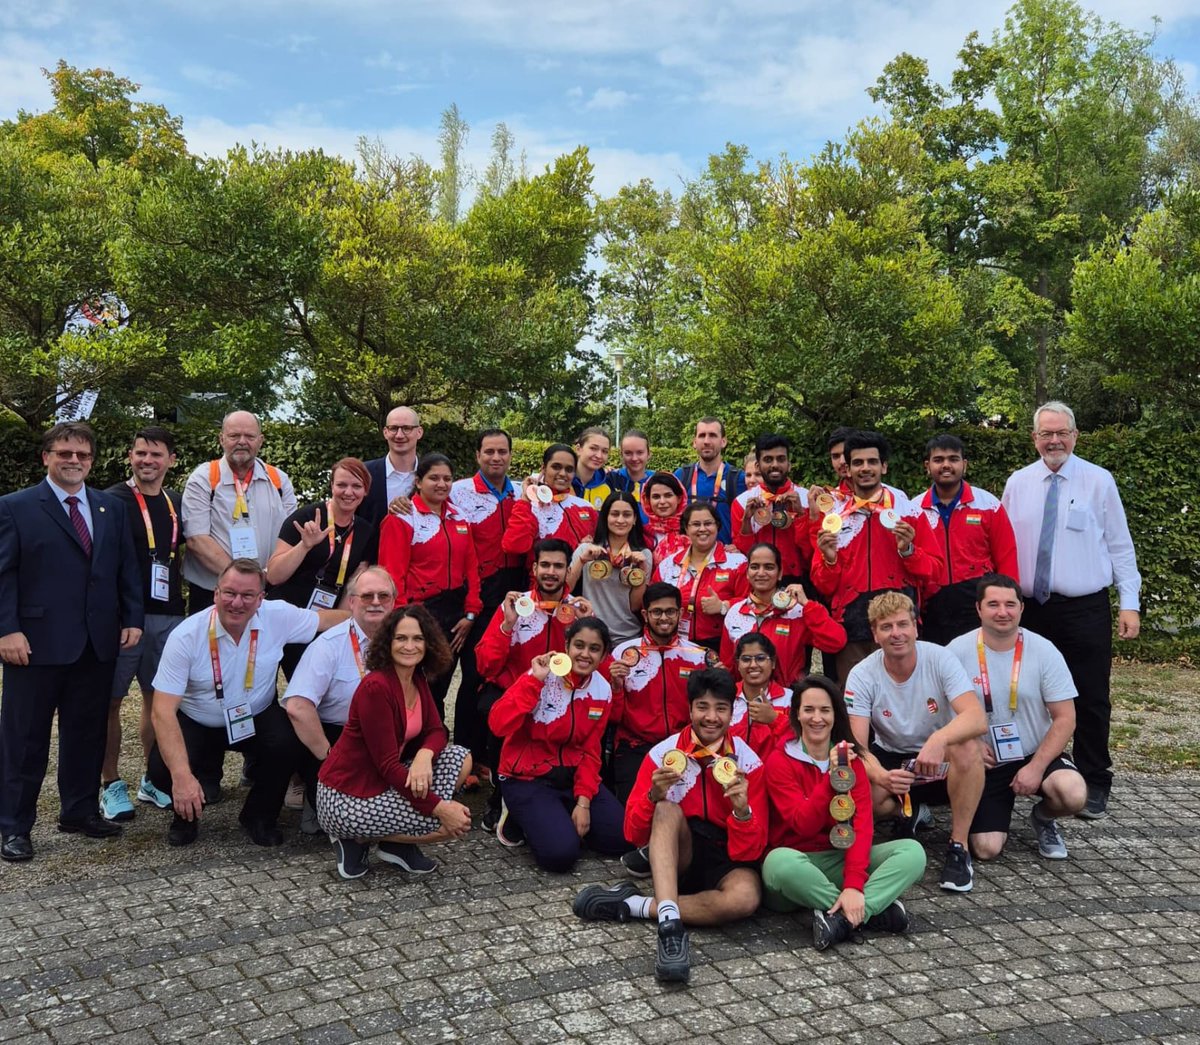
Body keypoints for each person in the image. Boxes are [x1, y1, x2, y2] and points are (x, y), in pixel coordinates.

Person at [0, 422, 143, 862]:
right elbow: (3, 574)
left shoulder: (110, 508)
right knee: (25, 741)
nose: (74, 460)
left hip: (96, 644)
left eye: (82, 454)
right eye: (64, 453)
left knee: (86, 733)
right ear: (46, 456)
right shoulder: (15, 507)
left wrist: (132, 617)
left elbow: (125, 566)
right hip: (34, 645)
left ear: (92, 460)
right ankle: (14, 827)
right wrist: (6, 629)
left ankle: (79, 812)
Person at [572, 668, 766, 985]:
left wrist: (742, 811)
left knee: (745, 899)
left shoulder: (748, 762)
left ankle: (637, 905)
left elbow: (751, 852)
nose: (711, 717)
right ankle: (670, 932)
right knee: (664, 809)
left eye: (721, 708)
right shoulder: (663, 754)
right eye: (702, 707)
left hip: (726, 856)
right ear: (689, 709)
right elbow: (632, 834)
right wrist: (653, 796)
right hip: (680, 852)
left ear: (732, 712)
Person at [1001, 400, 1141, 821]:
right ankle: (1027, 771)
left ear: (1075, 435)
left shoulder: (1099, 481)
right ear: (1034, 438)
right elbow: (1004, 545)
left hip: (1084, 608)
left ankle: (1095, 780)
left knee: (1091, 696)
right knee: (1023, 694)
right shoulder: (1018, 483)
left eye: (1062, 432)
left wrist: (1129, 603)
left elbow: (1120, 545)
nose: (1055, 440)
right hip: (1031, 610)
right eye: (1047, 433)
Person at [146, 559, 347, 848]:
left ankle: (258, 816)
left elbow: (326, 620)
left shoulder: (277, 615)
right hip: (198, 720)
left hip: (255, 715)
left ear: (261, 599)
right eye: (229, 593)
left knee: (290, 744)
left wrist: (374, 618)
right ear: (216, 593)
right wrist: (181, 777)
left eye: (247, 595)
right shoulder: (185, 636)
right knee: (162, 769)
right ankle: (186, 814)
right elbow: (162, 711)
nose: (237, 603)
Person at [762, 675, 926, 950]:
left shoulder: (852, 760)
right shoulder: (779, 761)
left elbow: (861, 827)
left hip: (838, 857)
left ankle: (844, 918)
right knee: (778, 863)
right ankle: (871, 910)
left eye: (825, 710)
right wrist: (832, 778)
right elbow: (803, 825)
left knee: (913, 852)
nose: (817, 718)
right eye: (809, 710)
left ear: (836, 715)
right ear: (797, 714)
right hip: (798, 868)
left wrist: (853, 884)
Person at [316, 604, 472, 879]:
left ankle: (394, 845)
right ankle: (355, 838)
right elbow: (388, 765)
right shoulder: (376, 687)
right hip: (346, 795)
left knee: (460, 757)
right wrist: (441, 808)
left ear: (428, 643)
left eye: (417, 638)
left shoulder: (416, 676)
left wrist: (424, 755)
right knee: (444, 823)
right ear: (387, 643)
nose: (409, 646)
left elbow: (437, 730)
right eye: (401, 638)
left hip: (382, 782)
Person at [846, 592, 986, 893]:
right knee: (858, 786)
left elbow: (977, 718)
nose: (896, 633)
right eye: (886, 627)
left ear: (916, 627)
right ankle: (909, 812)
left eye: (902, 624)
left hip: (939, 755)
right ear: (875, 634)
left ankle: (958, 846)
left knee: (969, 747)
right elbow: (857, 745)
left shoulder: (940, 658)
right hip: (893, 757)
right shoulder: (861, 674)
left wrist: (939, 738)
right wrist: (880, 775)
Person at [948, 574, 1087, 862]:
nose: (1003, 612)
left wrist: (1036, 767)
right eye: (993, 604)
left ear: (1022, 608)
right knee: (986, 849)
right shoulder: (956, 651)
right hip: (986, 760)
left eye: (1010, 605)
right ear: (979, 609)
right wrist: (969, 744)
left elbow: (1065, 718)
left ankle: (1044, 818)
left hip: (1033, 752)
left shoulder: (1044, 650)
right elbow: (937, 710)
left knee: (1072, 793)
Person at [474, 538, 593, 838]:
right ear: (535, 568)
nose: (551, 572)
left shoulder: (577, 610)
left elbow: (595, 670)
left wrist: (587, 625)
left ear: (568, 571)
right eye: (545, 565)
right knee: (493, 708)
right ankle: (500, 794)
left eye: (558, 566)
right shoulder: (515, 606)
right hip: (518, 692)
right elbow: (485, 666)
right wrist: (507, 625)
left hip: (563, 695)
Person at [487, 617, 626, 872]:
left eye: (594, 649)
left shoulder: (602, 689)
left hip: (571, 777)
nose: (585, 654)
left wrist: (583, 803)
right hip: (527, 777)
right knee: (560, 856)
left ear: (604, 654)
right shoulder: (541, 675)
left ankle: (557, 817)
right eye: (579, 645)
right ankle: (517, 817)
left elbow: (591, 751)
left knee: (622, 838)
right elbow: (497, 724)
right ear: (566, 646)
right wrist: (533, 682)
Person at [101, 426, 186, 823]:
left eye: (156, 454)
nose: (147, 461)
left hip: (168, 615)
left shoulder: (176, 502)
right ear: (130, 456)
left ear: (171, 460)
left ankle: (153, 779)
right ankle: (110, 783)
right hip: (122, 620)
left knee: (159, 700)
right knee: (111, 701)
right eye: (140, 453)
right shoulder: (111, 501)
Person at [810, 430, 942, 681]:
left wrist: (909, 551)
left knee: (904, 695)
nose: (865, 468)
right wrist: (830, 560)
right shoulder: (834, 517)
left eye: (872, 461)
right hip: (852, 628)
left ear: (884, 466)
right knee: (854, 698)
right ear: (848, 469)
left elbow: (935, 571)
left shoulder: (908, 511)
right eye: (858, 462)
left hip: (898, 625)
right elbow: (822, 585)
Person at [282, 567, 397, 831]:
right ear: (352, 602)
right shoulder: (328, 645)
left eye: (383, 596)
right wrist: (330, 757)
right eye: (367, 596)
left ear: (393, 601)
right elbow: (298, 707)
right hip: (338, 737)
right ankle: (320, 797)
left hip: (387, 736)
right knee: (343, 820)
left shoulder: (405, 641)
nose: (376, 602)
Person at [377, 453, 482, 718]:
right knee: (417, 683)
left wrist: (471, 612)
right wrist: (405, 621)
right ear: (418, 481)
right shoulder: (402, 518)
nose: (442, 484)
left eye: (447, 478)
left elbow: (472, 568)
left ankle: (434, 734)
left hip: (455, 613)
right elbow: (392, 576)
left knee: (441, 683)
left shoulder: (460, 516)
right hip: (420, 612)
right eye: (434, 478)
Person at [448, 429, 524, 780]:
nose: (496, 457)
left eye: (502, 451)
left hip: (517, 591)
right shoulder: (458, 491)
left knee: (511, 672)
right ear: (477, 455)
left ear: (510, 455)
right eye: (489, 451)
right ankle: (467, 754)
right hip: (478, 593)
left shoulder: (524, 491)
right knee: (474, 674)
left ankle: (500, 750)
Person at [265, 457, 376, 679]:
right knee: (265, 685)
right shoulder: (306, 517)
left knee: (309, 684)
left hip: (322, 621)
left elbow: (354, 583)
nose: (348, 492)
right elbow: (274, 576)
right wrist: (304, 546)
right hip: (284, 614)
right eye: (341, 484)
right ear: (331, 486)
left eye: (356, 486)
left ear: (365, 491)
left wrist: (339, 622)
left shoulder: (365, 531)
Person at [181, 410, 298, 612]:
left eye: (250, 436)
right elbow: (196, 539)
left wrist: (264, 578)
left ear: (260, 441)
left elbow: (290, 538)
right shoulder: (204, 478)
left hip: (267, 592)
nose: (242, 442)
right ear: (222, 439)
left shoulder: (279, 480)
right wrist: (242, 581)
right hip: (213, 593)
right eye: (234, 435)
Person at [607, 584, 709, 806]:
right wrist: (616, 686)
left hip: (683, 746)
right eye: (657, 612)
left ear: (680, 613)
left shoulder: (697, 656)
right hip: (635, 747)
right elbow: (613, 717)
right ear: (645, 615)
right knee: (635, 812)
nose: (664, 618)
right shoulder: (624, 654)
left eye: (670, 611)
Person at [918, 435, 1019, 645]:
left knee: (979, 661)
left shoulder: (988, 504)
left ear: (964, 464)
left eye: (953, 459)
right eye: (938, 460)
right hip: (931, 605)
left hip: (977, 602)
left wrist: (1009, 602)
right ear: (927, 466)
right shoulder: (914, 509)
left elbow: (1007, 556)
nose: (946, 465)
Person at [720, 544, 846, 686]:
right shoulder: (735, 613)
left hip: (787, 695)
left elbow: (836, 642)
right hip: (746, 695)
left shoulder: (796, 612)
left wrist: (807, 604)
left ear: (780, 573)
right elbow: (729, 668)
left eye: (769, 567)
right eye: (755, 567)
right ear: (747, 573)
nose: (761, 573)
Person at [652, 501, 746, 651]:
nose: (702, 529)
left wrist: (724, 606)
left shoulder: (737, 562)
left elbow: (751, 601)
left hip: (721, 643)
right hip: (675, 643)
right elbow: (652, 602)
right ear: (686, 528)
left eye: (708, 523)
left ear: (717, 526)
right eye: (696, 524)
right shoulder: (669, 564)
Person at [567, 492, 653, 645]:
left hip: (627, 636)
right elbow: (566, 589)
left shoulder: (643, 555)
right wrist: (581, 561)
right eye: (614, 514)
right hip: (591, 633)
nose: (620, 520)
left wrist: (641, 570)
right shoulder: (586, 550)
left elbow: (635, 606)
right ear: (605, 517)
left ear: (634, 519)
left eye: (627, 515)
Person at [732, 434, 810, 584]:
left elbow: (811, 552)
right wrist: (747, 520)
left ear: (789, 464)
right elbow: (743, 554)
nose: (775, 465)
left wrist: (800, 515)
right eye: (768, 460)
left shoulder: (806, 499)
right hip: (758, 581)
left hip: (799, 581)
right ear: (758, 465)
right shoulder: (741, 502)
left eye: (780, 459)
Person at [501, 444, 597, 562]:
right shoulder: (530, 507)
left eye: (569, 469)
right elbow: (514, 546)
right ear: (543, 469)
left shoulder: (586, 506)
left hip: (581, 574)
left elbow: (602, 546)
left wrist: (589, 546)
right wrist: (526, 499)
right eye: (556, 467)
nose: (563, 473)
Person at [674, 417, 746, 545]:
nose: (706, 441)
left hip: (725, 555)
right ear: (694, 442)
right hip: (688, 554)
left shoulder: (738, 479)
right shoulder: (681, 476)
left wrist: (740, 545)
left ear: (723, 441)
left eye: (712, 435)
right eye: (702, 436)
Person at [729, 633, 792, 757]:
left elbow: (802, 741)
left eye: (760, 658)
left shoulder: (790, 699)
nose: (753, 665)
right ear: (738, 664)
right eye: (746, 659)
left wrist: (774, 719)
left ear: (773, 663)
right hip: (729, 768)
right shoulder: (726, 695)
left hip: (775, 768)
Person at [362, 405, 423, 528]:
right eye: (393, 428)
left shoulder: (431, 476)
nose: (399, 435)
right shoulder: (365, 473)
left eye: (407, 428)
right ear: (385, 432)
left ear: (419, 432)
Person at [641, 472, 689, 566]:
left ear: (679, 498)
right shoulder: (642, 534)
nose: (662, 501)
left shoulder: (691, 530)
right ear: (648, 500)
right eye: (656, 497)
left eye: (668, 495)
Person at [573, 427, 615, 509]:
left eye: (605, 451)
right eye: (593, 448)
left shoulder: (608, 486)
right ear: (578, 449)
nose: (599, 456)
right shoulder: (562, 481)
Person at [612, 429, 653, 513]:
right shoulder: (612, 479)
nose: (634, 458)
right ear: (621, 455)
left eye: (640, 452)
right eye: (628, 453)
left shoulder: (657, 481)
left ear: (648, 454)